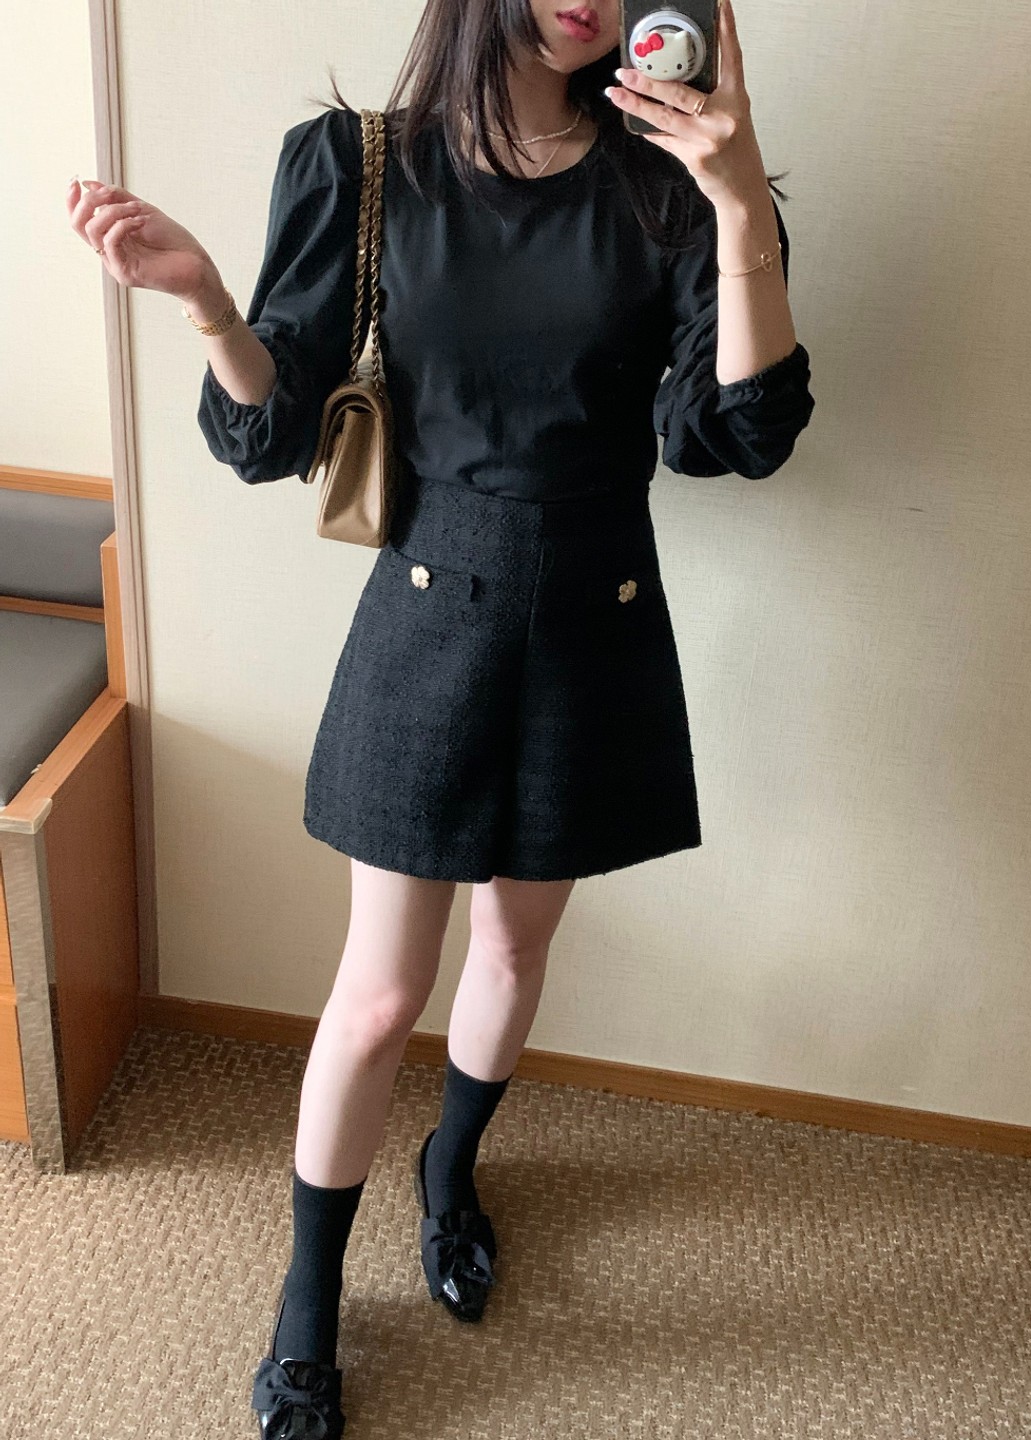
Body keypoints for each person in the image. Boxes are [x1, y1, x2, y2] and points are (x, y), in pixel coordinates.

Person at [66, 1, 814, 1434]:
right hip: (425, 615)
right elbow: (273, 435)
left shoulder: (672, 184)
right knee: (377, 995)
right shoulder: (362, 167)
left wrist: (737, 204)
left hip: (597, 612)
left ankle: (451, 1171)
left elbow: (738, 436)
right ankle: (307, 1300)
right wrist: (211, 304)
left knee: (517, 946)